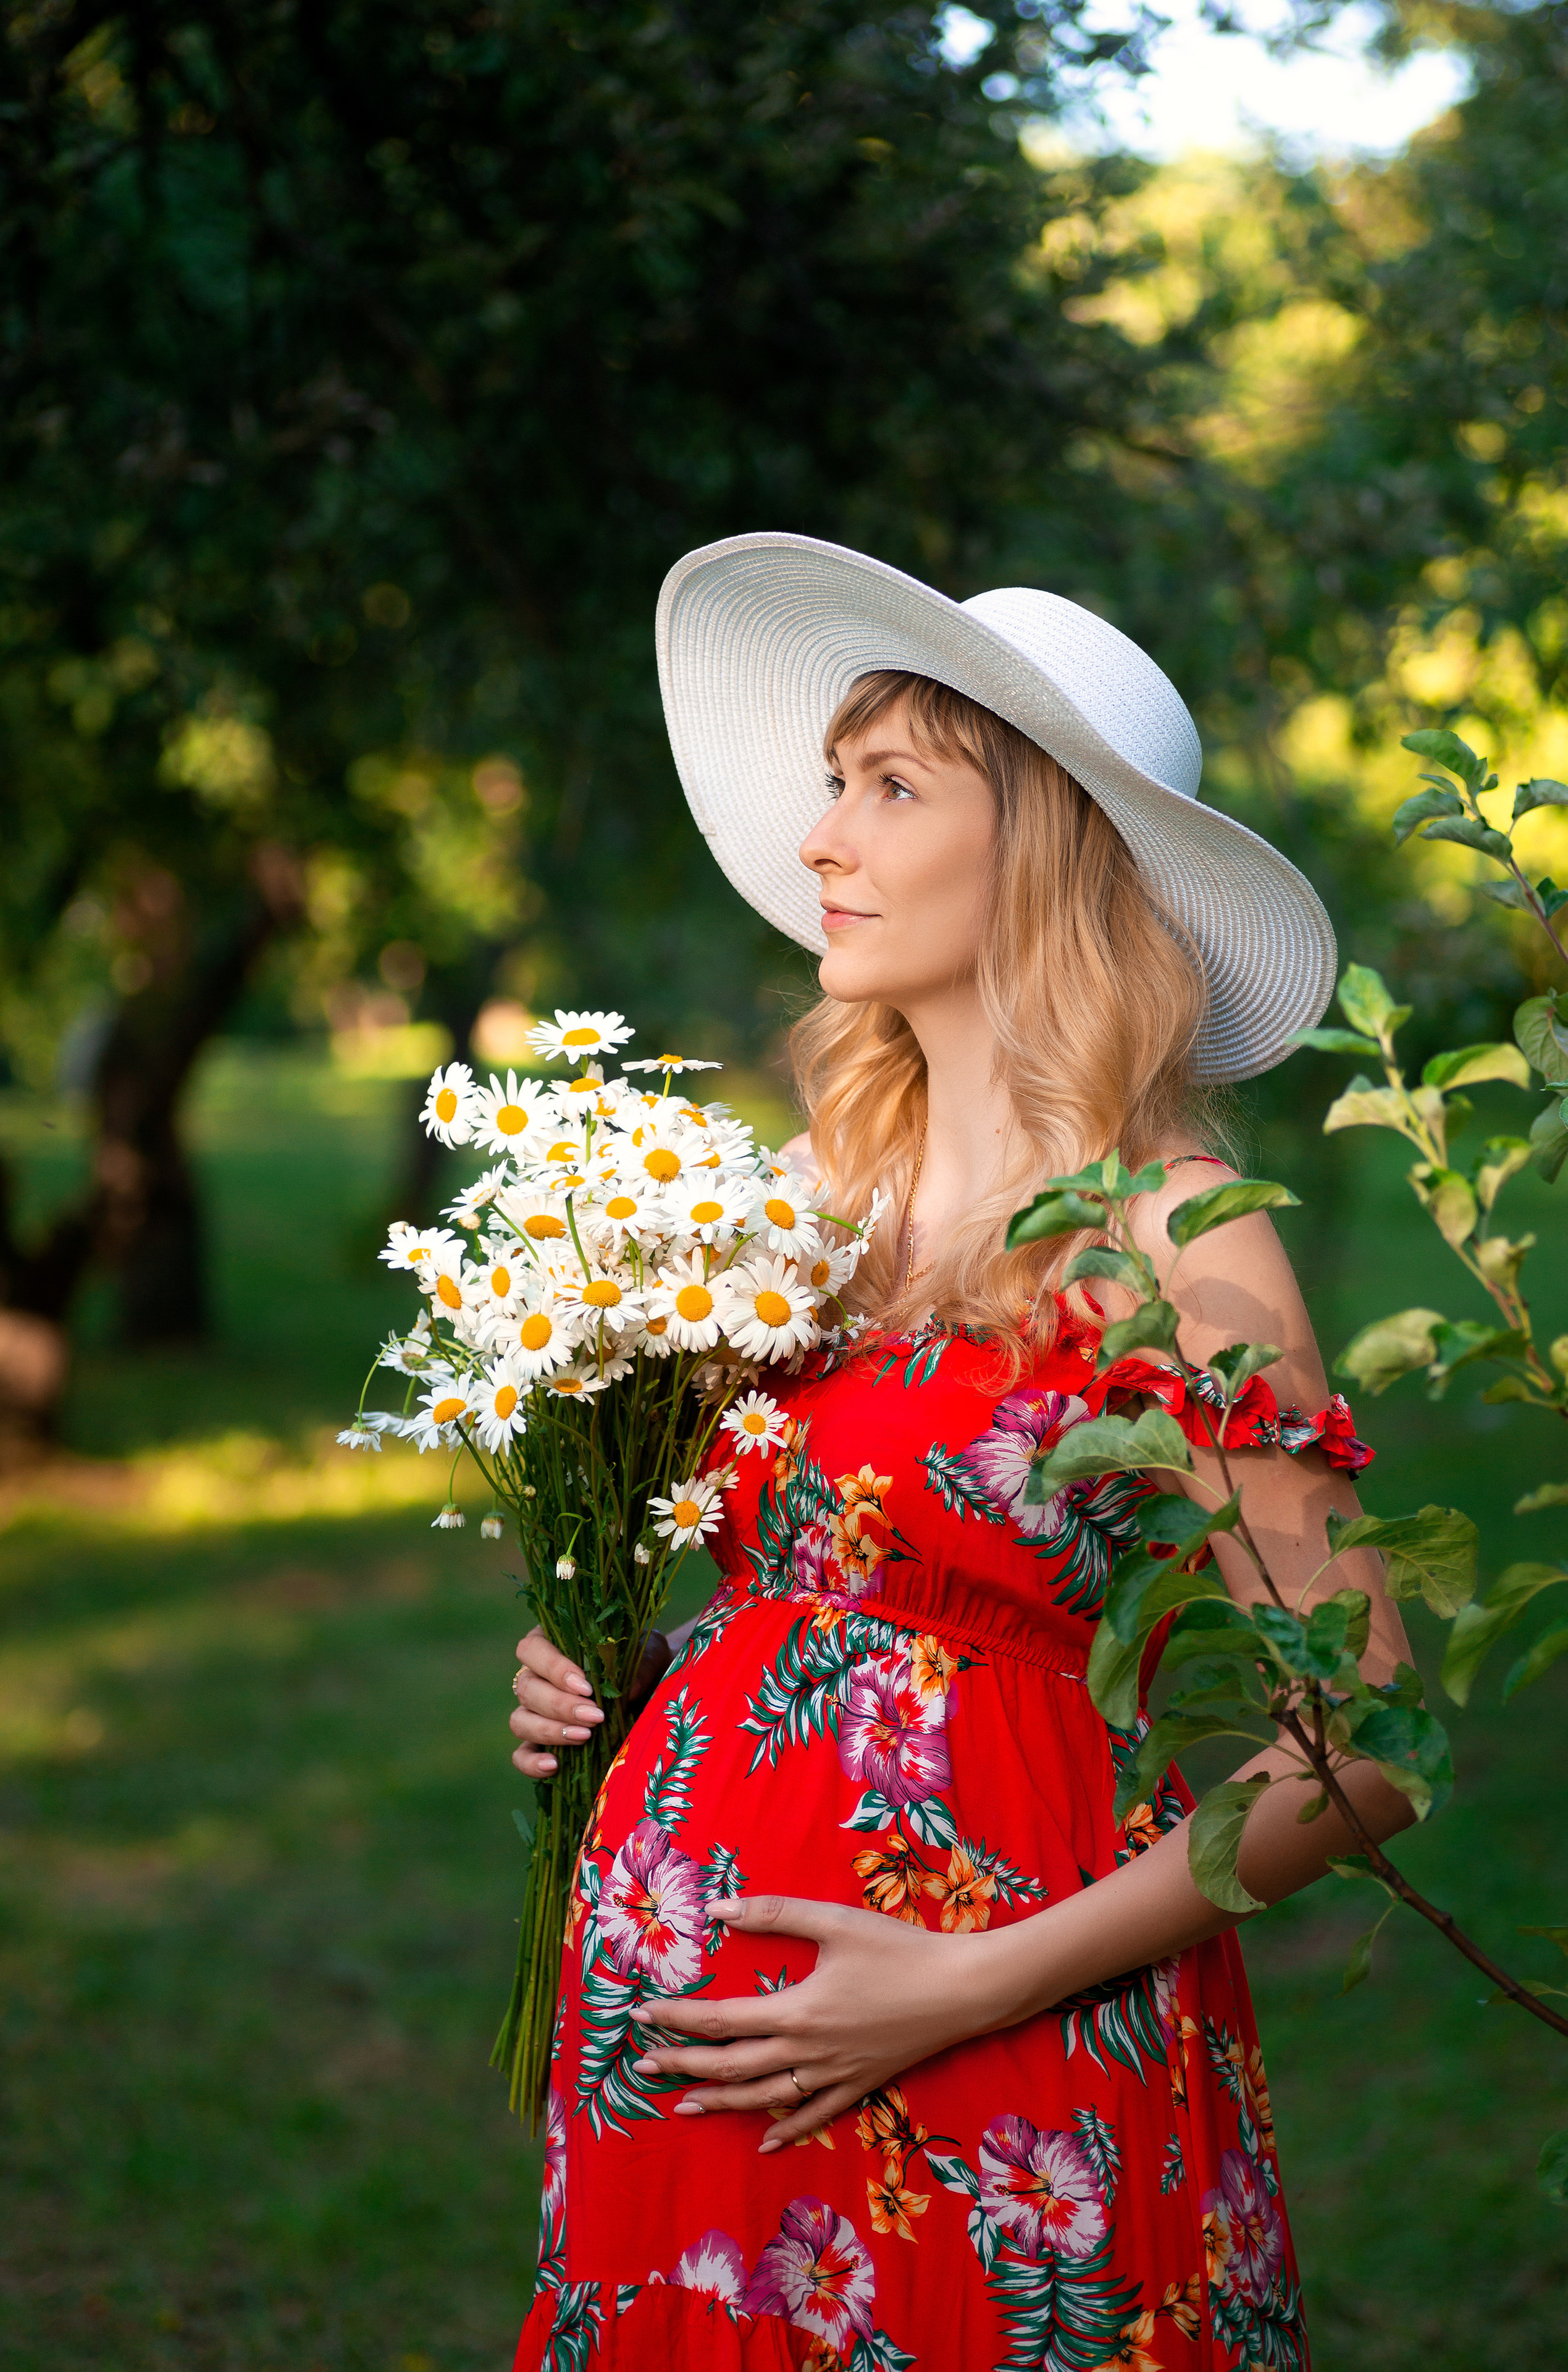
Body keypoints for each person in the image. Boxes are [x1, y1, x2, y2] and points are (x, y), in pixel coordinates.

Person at [508, 534, 1411, 2371]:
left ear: (1050, 848)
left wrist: (964, 1984)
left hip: (1009, 2090)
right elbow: (815, 1600)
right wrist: (618, 1673)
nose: (823, 837)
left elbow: (1374, 1737)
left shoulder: (1177, 1239)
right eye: (837, 780)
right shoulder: (810, 1206)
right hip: (695, 2095)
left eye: (891, 786)